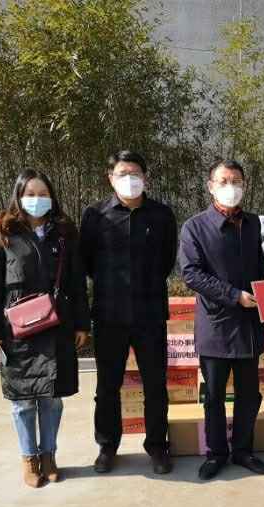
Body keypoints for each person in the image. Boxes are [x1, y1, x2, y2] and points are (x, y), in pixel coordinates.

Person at [0, 169, 90, 488]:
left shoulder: (65, 232)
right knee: (23, 400)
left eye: (43, 194)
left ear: (52, 197)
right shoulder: (3, 231)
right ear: (18, 196)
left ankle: (49, 455)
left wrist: (82, 323)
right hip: (18, 330)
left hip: (58, 326)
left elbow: (77, 282)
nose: (37, 200)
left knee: (52, 398)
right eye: (30, 194)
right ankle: (29, 458)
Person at [80, 150, 178, 475]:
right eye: (122, 174)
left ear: (145, 177)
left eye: (135, 173)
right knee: (107, 387)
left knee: (155, 385)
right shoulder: (95, 215)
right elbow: (88, 263)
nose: (129, 179)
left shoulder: (162, 215)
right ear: (110, 178)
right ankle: (107, 446)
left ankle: (157, 446)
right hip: (109, 315)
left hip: (150, 314)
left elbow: (166, 261)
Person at [178, 159, 264, 481]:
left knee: (249, 395)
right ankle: (216, 454)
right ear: (211, 186)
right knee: (215, 396)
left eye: (236, 181)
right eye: (223, 181)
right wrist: (233, 295)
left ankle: (243, 450)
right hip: (216, 325)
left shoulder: (252, 222)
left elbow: (258, 262)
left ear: (244, 185)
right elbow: (191, 274)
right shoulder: (194, 227)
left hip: (249, 327)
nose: (230, 187)